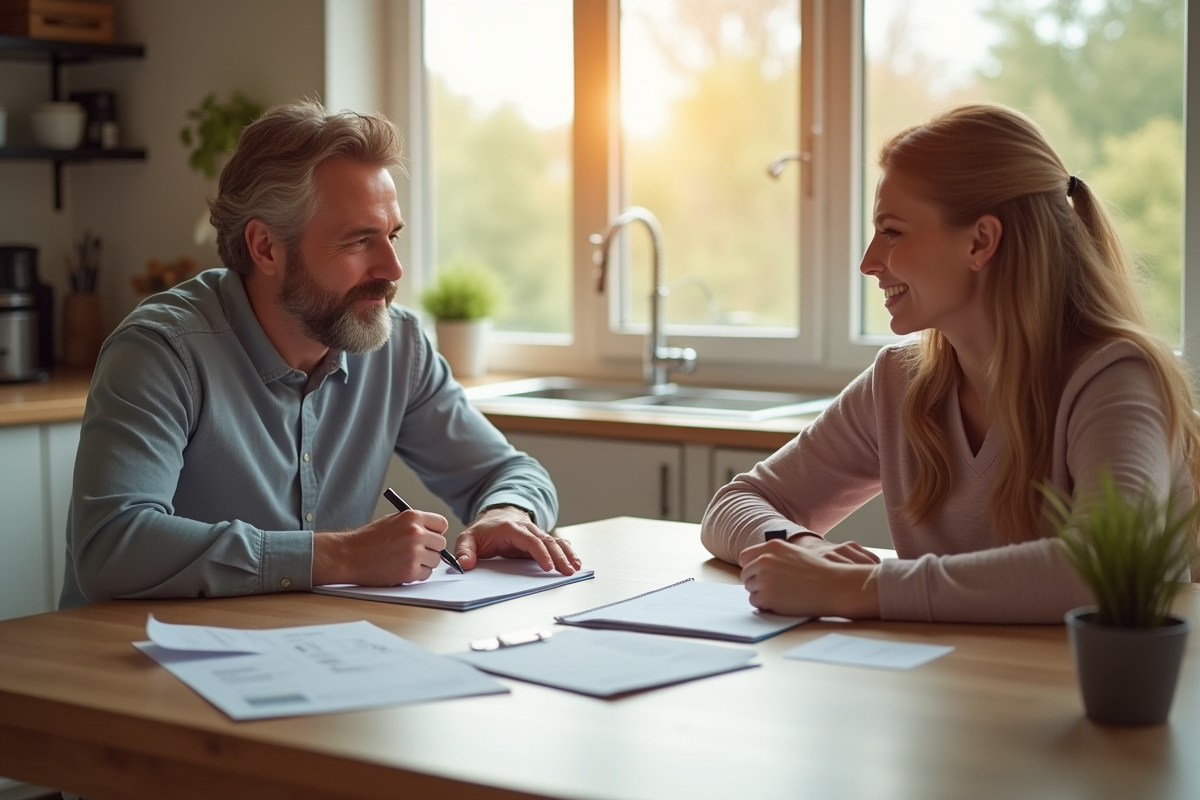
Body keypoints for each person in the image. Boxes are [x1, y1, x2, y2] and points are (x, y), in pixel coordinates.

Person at [60, 101, 579, 609]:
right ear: (265, 247)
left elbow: (509, 473)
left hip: (313, 656)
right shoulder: (162, 351)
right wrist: (341, 554)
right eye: (359, 241)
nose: (393, 268)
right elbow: (111, 545)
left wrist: (504, 512)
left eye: (392, 236)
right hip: (140, 668)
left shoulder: (398, 346)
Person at [701, 103, 1200, 624]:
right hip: (957, 686)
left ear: (980, 241)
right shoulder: (898, 382)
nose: (869, 261)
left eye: (892, 231)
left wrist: (860, 587)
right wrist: (809, 550)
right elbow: (738, 503)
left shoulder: (1117, 379)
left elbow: (1104, 564)